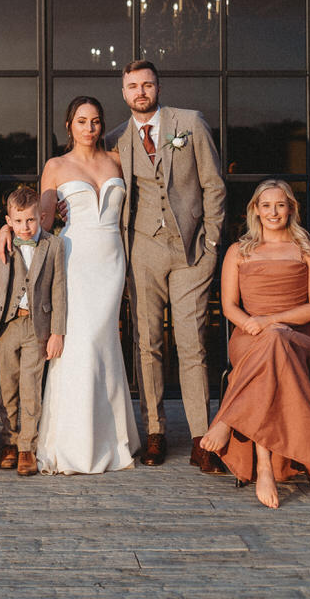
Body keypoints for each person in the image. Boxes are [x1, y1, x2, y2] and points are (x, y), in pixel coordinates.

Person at [104, 60, 226, 471]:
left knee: (192, 345)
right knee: (147, 343)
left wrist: (210, 243)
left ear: (158, 87)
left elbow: (213, 184)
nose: (140, 92)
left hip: (191, 250)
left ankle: (201, 437)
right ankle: (154, 432)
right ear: (124, 94)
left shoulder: (189, 122)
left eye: (147, 85)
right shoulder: (116, 139)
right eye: (132, 87)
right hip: (142, 250)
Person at [199, 181, 310, 508]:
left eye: (280, 205)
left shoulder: (308, 250)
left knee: (275, 338)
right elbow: (229, 305)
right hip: (249, 338)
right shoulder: (239, 251)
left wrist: (270, 321)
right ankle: (263, 466)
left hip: (301, 338)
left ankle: (229, 420)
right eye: (266, 206)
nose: (273, 212)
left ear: (290, 208)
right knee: (270, 347)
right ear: (255, 210)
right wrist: (254, 324)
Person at [34, 96, 140, 474]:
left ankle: (113, 438)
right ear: (69, 126)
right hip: (75, 258)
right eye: (82, 121)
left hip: (112, 258)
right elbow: (42, 225)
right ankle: (73, 442)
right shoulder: (56, 165)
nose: (89, 128)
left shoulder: (116, 161)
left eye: (95, 121)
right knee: (79, 342)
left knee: (105, 341)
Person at [0, 186, 67, 477]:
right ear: (9, 220)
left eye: (30, 220)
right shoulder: (3, 244)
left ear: (41, 217)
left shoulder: (53, 245)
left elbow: (59, 291)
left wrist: (58, 332)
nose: (24, 227)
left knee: (31, 386)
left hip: (36, 327)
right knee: (8, 387)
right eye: (18, 222)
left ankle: (27, 447)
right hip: (6, 325)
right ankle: (10, 441)